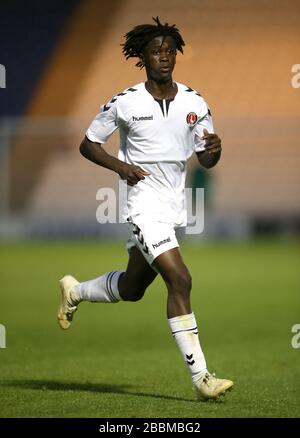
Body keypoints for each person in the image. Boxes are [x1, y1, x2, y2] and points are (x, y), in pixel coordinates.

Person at [57, 17, 233, 401]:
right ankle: (202, 379)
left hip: (173, 206)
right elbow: (88, 144)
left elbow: (206, 161)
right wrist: (121, 167)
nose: (165, 57)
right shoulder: (125, 102)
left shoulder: (195, 102)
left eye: (170, 51)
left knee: (133, 287)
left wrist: (213, 152)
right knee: (180, 280)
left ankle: (75, 291)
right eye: (156, 51)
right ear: (142, 56)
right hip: (141, 206)